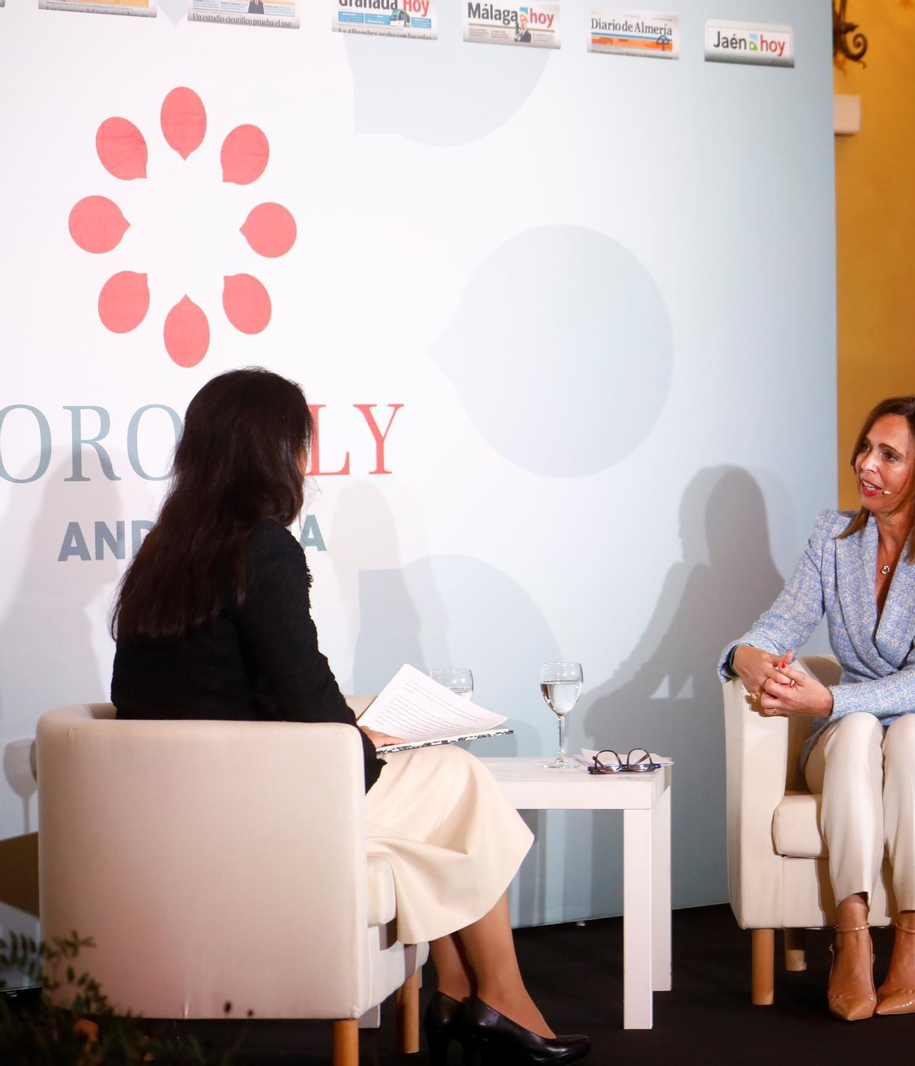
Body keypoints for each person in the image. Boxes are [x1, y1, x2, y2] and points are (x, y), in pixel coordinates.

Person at [110, 368, 589, 1066]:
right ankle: (500, 998)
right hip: (266, 806)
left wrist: (354, 739)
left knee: (425, 816)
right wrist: (365, 747)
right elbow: (309, 704)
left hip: (175, 808)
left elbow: (196, 693)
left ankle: (458, 987)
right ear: (278, 454)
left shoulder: (161, 551)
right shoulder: (263, 546)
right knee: (458, 778)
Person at [718, 395, 915, 1021]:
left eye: (888, 455)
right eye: (865, 448)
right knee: (853, 731)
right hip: (854, 732)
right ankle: (851, 935)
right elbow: (774, 627)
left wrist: (827, 697)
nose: (865, 464)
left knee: (905, 735)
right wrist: (750, 658)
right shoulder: (834, 536)